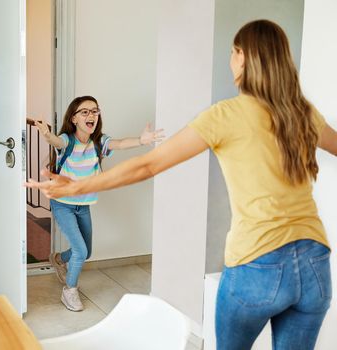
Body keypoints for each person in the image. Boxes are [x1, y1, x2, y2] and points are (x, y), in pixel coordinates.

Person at [25, 20, 336, 349]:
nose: (231, 60)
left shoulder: (226, 115)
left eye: (232, 52)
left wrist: (74, 186)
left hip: (258, 262)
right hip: (315, 261)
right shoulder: (302, 112)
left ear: (243, 57)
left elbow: (149, 164)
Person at [28, 95, 164, 312]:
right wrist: (47, 135)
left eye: (95, 111)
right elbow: (57, 142)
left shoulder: (99, 141)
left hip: (83, 204)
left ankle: (58, 259)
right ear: (74, 119)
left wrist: (141, 140)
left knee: (86, 251)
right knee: (80, 251)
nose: (91, 115)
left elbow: (119, 143)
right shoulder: (68, 140)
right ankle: (69, 291)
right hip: (62, 203)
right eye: (85, 112)